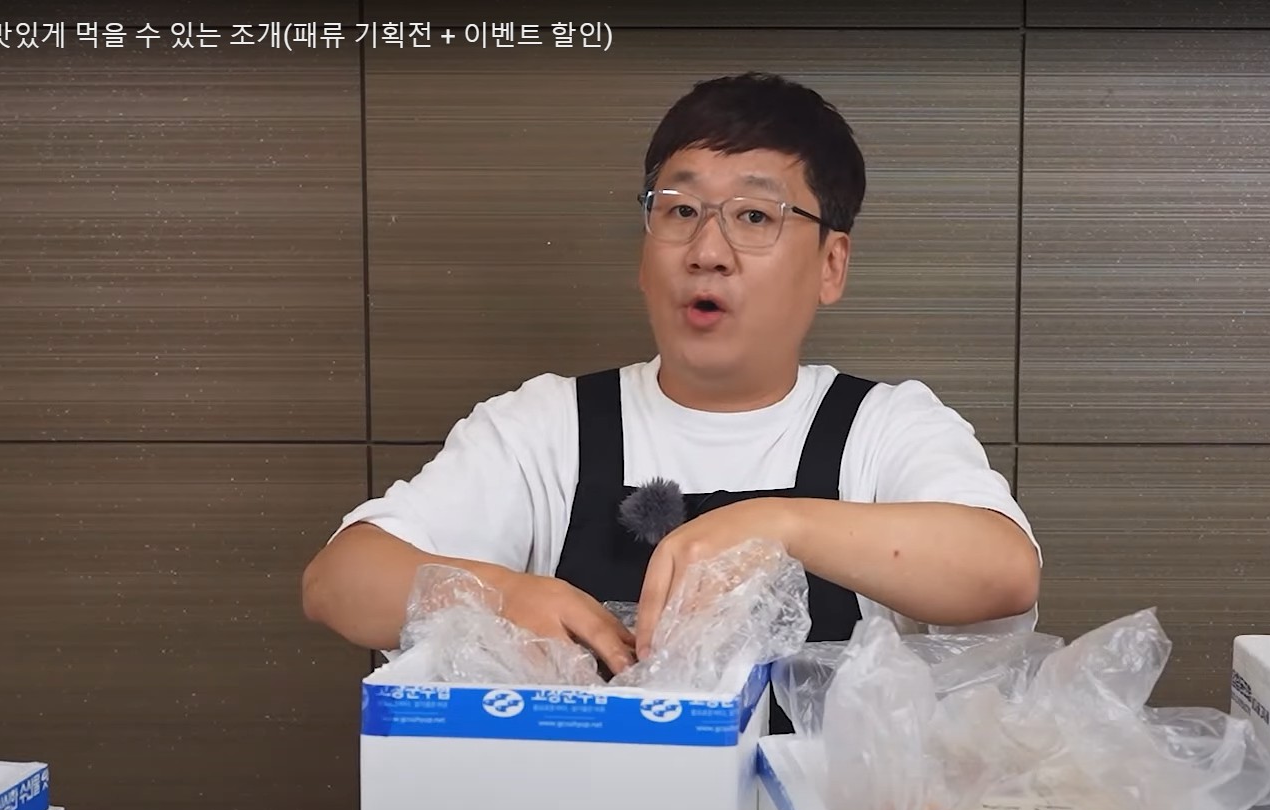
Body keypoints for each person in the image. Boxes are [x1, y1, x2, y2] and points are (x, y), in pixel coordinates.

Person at [302, 71, 1042, 733]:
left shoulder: (883, 428)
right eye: (680, 210)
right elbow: (339, 582)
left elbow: (1003, 571)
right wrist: (496, 597)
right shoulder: (547, 425)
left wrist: (778, 525)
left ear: (831, 264)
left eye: (755, 216)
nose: (707, 251)